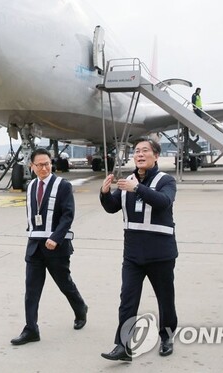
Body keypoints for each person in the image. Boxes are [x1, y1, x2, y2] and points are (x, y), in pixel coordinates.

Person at [99, 138, 178, 361]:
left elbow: (164, 202)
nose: (140, 155)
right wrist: (105, 193)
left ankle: (167, 336)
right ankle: (122, 346)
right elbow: (112, 207)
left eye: (145, 151)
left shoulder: (166, 180)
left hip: (160, 254)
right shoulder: (128, 181)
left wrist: (138, 188)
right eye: (136, 151)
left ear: (156, 156)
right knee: (128, 300)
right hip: (133, 254)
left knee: (165, 298)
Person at [10, 148, 88, 345]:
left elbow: (68, 215)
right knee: (31, 290)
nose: (44, 168)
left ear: (51, 164)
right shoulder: (31, 186)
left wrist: (56, 237)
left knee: (65, 284)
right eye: (39, 165)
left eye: (47, 164)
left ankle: (80, 309)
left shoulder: (63, 186)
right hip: (35, 247)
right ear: (32, 166)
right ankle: (31, 329)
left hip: (56, 247)